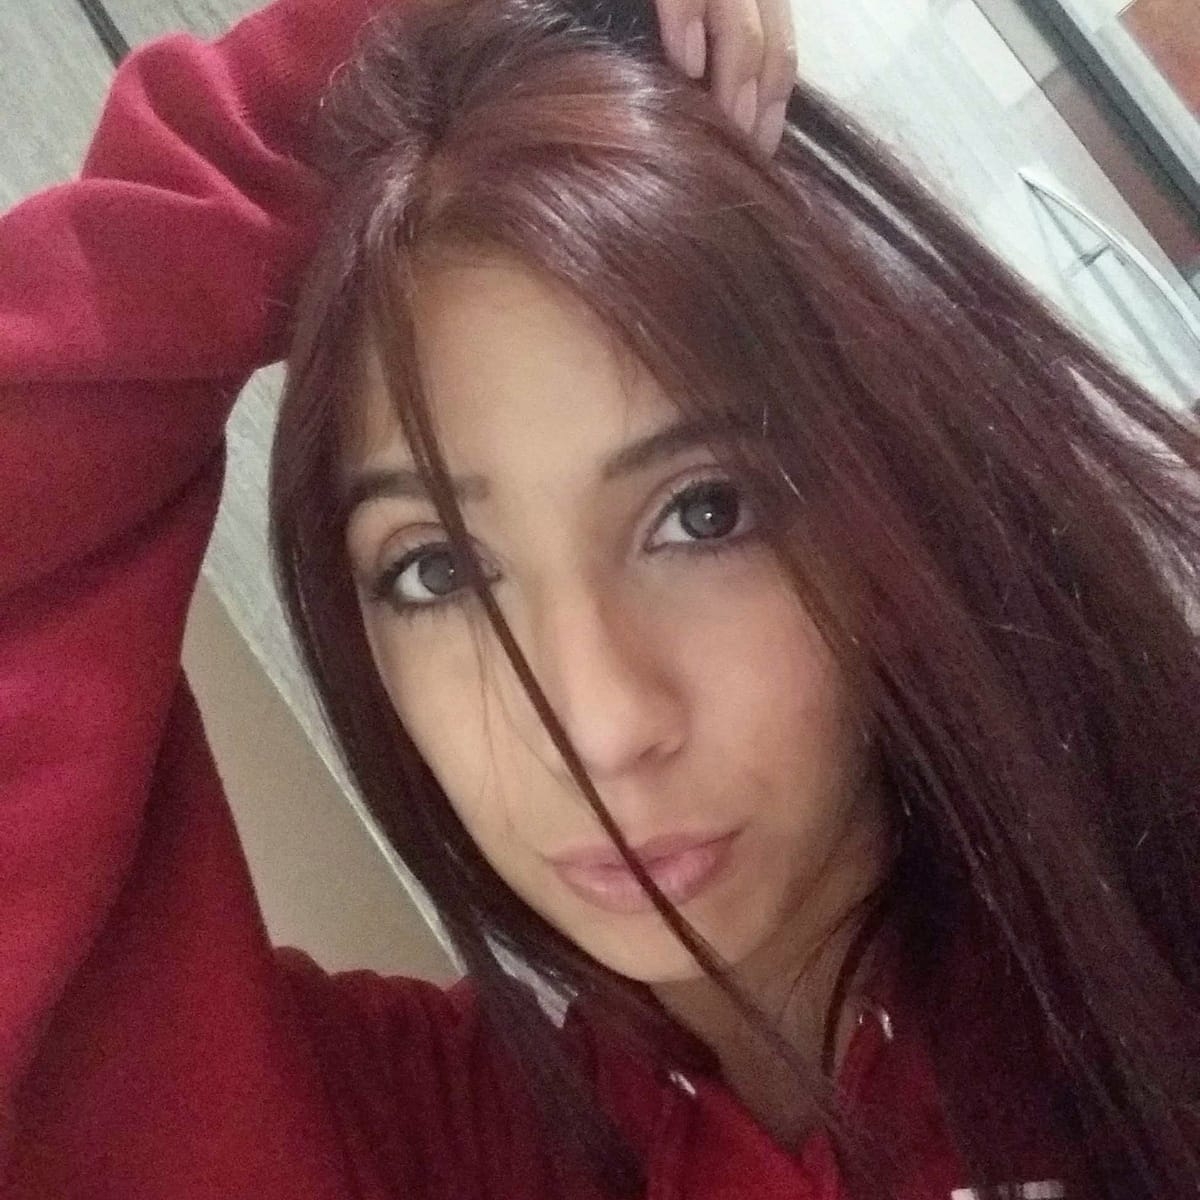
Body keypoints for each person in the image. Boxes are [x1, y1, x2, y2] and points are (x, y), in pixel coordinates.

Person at [1, 0, 1197, 1195]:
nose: (600, 727)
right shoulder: (431, 1152)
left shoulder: (1152, 948)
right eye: (438, 570)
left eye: (705, 513)